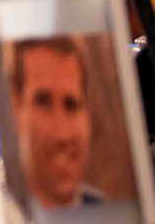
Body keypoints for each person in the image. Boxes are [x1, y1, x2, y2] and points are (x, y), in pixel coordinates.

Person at [10, 37, 102, 208]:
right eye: (43, 103)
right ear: (16, 109)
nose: (62, 134)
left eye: (71, 105)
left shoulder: (109, 214)